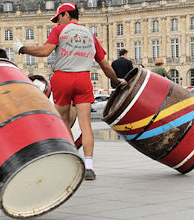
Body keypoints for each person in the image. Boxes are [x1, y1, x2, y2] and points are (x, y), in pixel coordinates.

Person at [13, 2, 126, 180]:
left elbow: (45, 51)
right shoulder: (90, 35)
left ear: (65, 14)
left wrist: (22, 49)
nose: (57, 22)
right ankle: (88, 167)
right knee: (85, 125)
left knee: (64, 123)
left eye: (58, 18)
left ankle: (67, 165)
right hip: (83, 79)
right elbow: (104, 64)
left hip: (63, 78)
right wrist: (116, 80)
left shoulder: (59, 31)